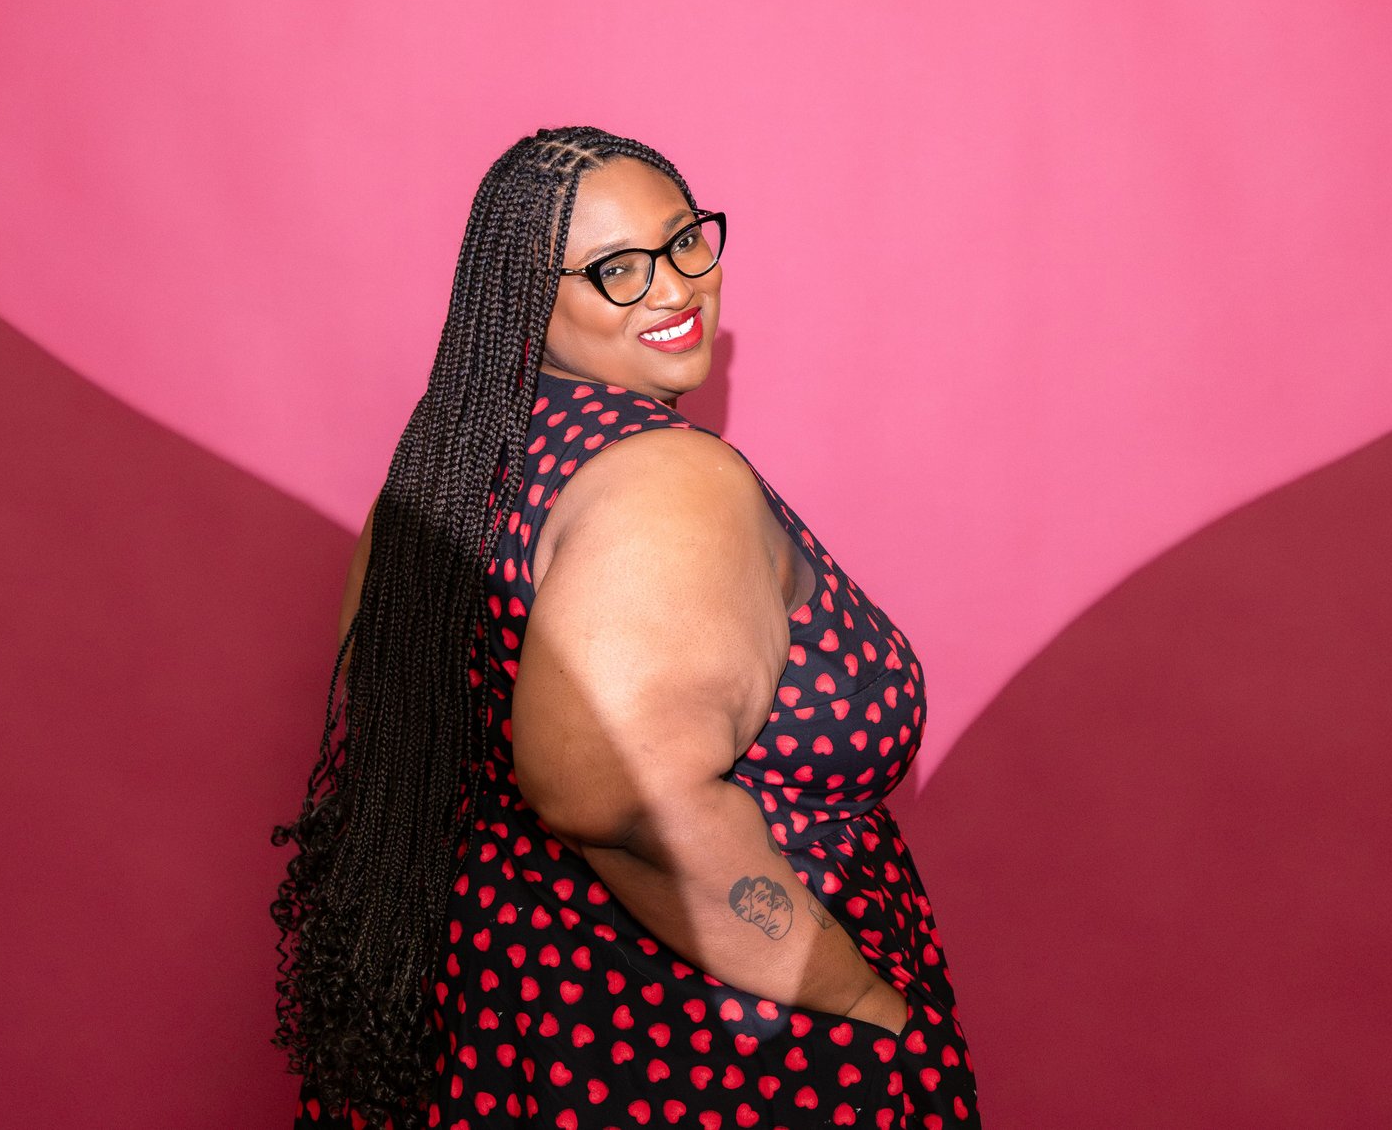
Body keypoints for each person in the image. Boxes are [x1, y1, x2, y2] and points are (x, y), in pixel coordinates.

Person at [271, 126, 981, 1129]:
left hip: (493, 1021)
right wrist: (856, 999)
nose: (674, 287)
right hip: (711, 1050)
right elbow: (617, 792)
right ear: (525, 297)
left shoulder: (447, 469)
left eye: (686, 240)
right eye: (615, 268)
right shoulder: (666, 477)